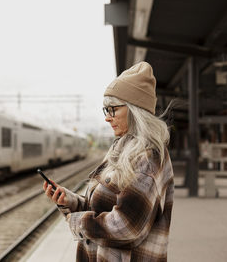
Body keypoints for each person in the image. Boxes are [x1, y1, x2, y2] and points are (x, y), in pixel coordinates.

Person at [43, 61, 174, 261]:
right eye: (106, 110)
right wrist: (72, 202)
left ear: (134, 110)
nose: (107, 118)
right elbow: (104, 208)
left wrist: (77, 221)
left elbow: (127, 227)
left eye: (112, 109)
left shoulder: (147, 157)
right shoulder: (122, 149)